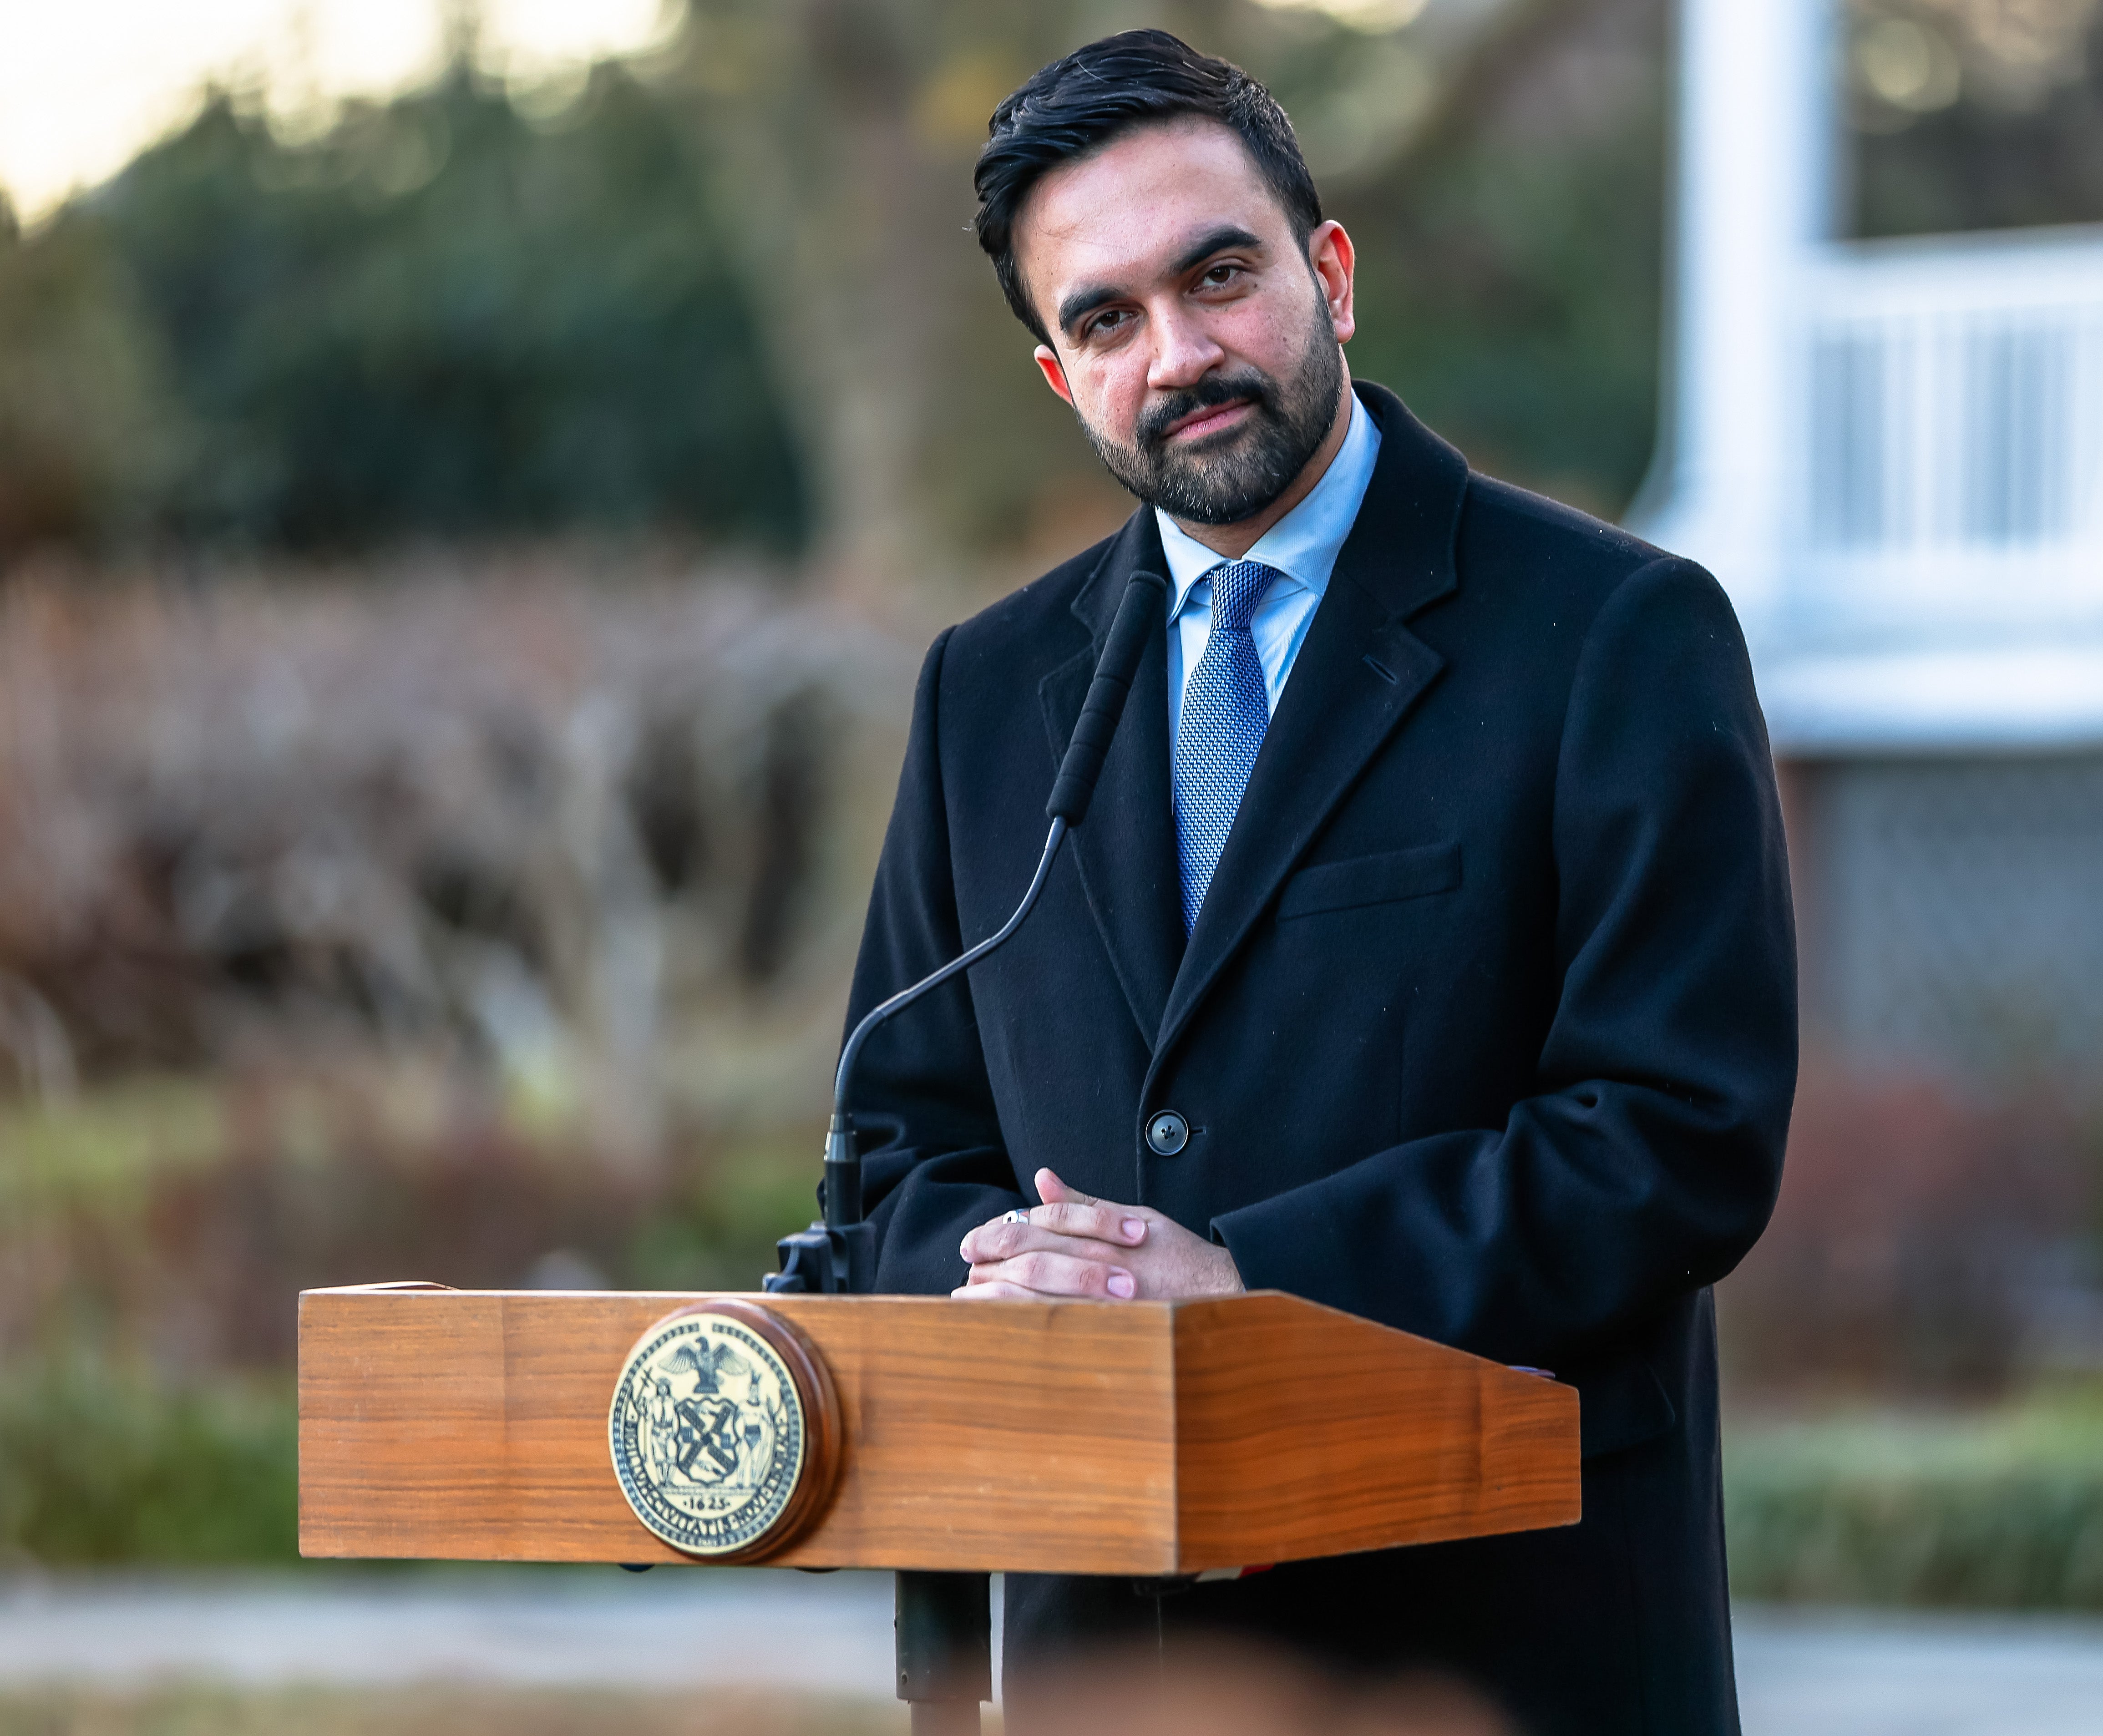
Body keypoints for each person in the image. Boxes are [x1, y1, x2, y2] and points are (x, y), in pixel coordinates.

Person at [833, 29, 1795, 1734]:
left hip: (1494, 1649)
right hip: (1104, 1664)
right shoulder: (983, 691)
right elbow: (894, 1145)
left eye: (1219, 277)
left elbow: (1674, 1141)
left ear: (1328, 272)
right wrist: (1019, 1273)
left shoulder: (1612, 636)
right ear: (1057, 378)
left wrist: (1242, 1278)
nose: (1180, 354)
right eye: (1106, 319)